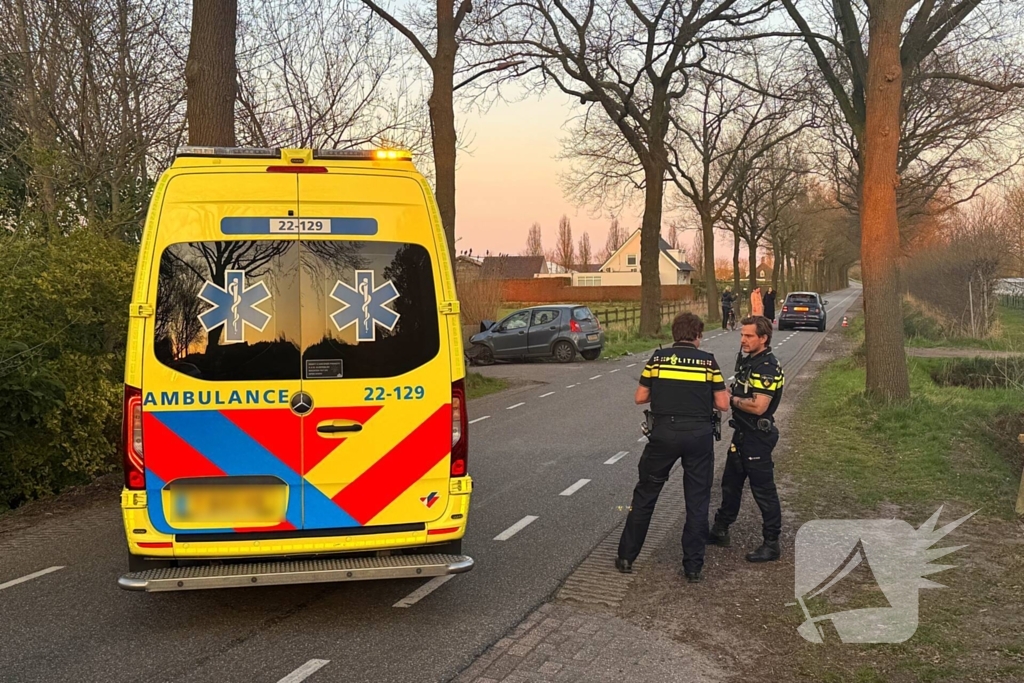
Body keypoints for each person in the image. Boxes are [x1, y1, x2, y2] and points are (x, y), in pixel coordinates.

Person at [617, 312, 731, 583]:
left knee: (646, 494)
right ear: (698, 336)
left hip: (663, 435)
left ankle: (626, 557)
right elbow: (723, 404)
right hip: (698, 436)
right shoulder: (708, 362)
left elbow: (640, 397)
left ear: (674, 334)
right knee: (697, 501)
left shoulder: (657, 359)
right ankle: (692, 567)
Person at [709, 316, 785, 563]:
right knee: (730, 484)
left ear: (763, 338)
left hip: (757, 437)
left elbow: (759, 406)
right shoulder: (748, 361)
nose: (743, 340)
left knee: (763, 491)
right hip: (741, 434)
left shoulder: (767, 367)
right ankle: (720, 529)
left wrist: (730, 401)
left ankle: (771, 543)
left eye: (749, 336)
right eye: (742, 335)